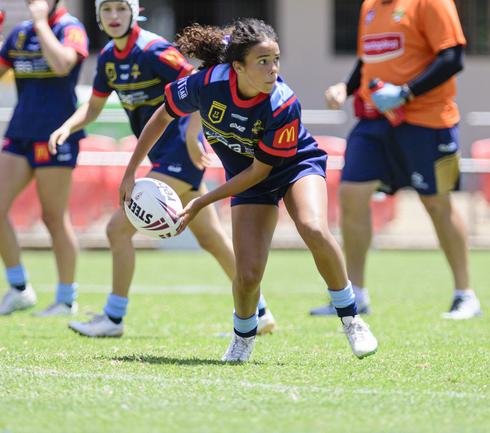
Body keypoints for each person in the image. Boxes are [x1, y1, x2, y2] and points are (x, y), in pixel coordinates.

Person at [120, 18, 378, 362]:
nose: (273, 70)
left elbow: (262, 170)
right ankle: (242, 338)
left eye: (276, 60)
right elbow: (163, 115)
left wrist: (200, 202)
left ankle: (351, 319)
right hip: (247, 176)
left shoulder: (283, 104)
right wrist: (131, 171)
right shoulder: (207, 84)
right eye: (263, 61)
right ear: (238, 67)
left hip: (293, 166)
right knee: (248, 274)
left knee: (314, 227)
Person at [49, 0, 276, 337]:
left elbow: (202, 85)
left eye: (121, 9)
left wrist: (193, 135)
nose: (114, 17)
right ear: (98, 16)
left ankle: (113, 318)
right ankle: (261, 313)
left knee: (117, 230)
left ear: (134, 12)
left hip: (179, 153)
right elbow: (94, 107)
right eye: (106, 10)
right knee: (211, 238)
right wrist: (67, 126)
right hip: (163, 156)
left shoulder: (154, 50)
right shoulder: (110, 58)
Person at [311, 0, 481, 320]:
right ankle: (354, 295)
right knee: (351, 194)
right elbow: (367, 61)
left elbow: (452, 58)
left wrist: (406, 92)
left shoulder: (432, 3)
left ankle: (465, 295)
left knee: (437, 203)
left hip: (431, 123)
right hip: (374, 122)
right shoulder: (369, 7)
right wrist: (345, 88)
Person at [0, 0, 88, 316]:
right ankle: (19, 289)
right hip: (21, 131)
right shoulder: (20, 33)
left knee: (53, 217)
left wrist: (42, 24)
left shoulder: (71, 28)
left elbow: (62, 65)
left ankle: (66, 298)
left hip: (55, 134)